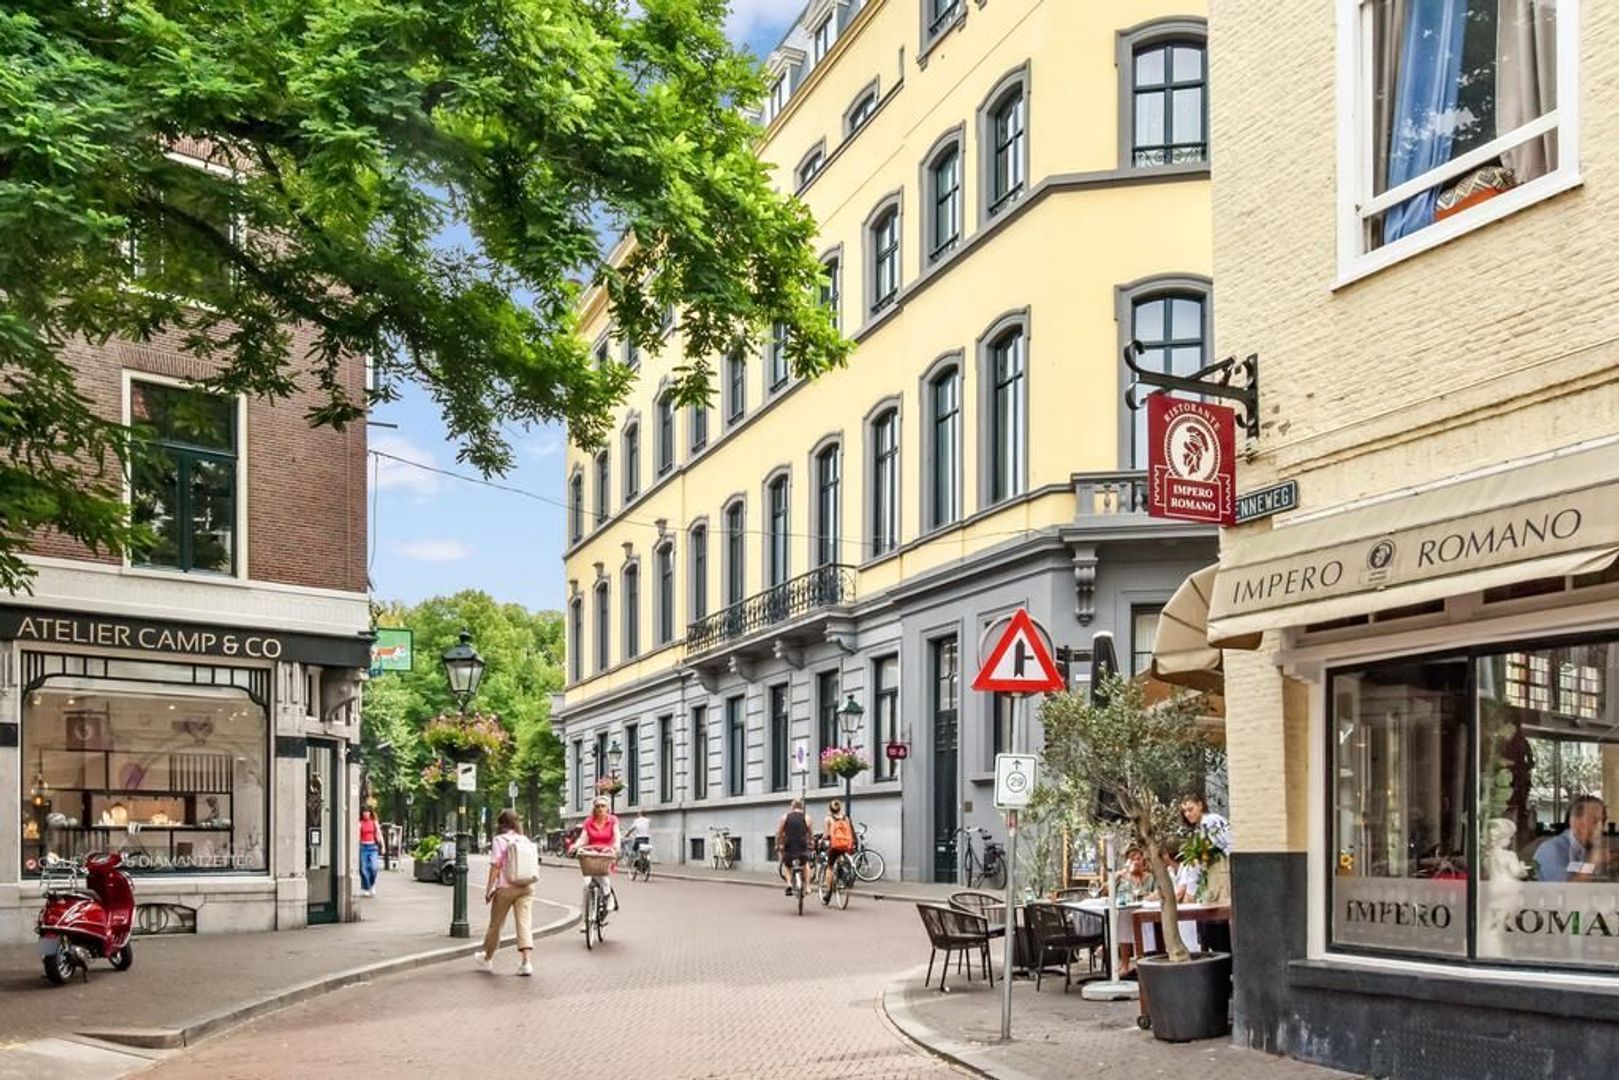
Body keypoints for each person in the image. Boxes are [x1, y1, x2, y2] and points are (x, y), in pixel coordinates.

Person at [474, 809, 538, 976]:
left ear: (500, 824)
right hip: (526, 886)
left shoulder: (499, 840)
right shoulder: (524, 839)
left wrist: (488, 889)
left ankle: (487, 958)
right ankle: (526, 963)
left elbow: (495, 866)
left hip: (506, 888)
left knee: (496, 924)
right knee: (524, 923)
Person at [1535, 795, 1608, 883]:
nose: (1601, 828)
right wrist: (1593, 863)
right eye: (1594, 821)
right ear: (1575, 822)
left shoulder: (1585, 848)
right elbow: (1566, 889)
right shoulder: (1551, 849)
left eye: (1603, 822)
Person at [569, 797, 621, 917]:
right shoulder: (589, 821)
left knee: (602, 875)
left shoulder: (613, 820)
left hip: (606, 853)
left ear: (608, 808)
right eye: (597, 806)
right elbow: (583, 838)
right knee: (586, 885)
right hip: (591, 852)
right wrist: (575, 846)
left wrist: (616, 847)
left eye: (603, 806)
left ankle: (608, 896)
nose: (600, 809)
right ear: (594, 808)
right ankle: (587, 918)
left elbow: (617, 835)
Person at [1180, 794, 1233, 903]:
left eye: (1190, 809)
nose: (1188, 814)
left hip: (1222, 872)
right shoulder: (1202, 826)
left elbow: (1228, 846)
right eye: (1185, 811)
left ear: (1200, 805)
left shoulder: (1210, 821)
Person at [776, 797, 813, 896]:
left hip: (789, 844)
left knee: (788, 865)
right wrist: (811, 842)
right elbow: (810, 833)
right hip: (802, 844)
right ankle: (808, 886)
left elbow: (779, 832)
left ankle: (788, 884)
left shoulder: (785, 817)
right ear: (801, 807)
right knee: (805, 864)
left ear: (792, 807)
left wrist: (778, 844)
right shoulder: (807, 817)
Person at [822, 800, 856, 900]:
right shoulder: (847, 818)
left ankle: (828, 891)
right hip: (846, 845)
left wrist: (821, 839)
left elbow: (827, 834)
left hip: (835, 845)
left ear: (829, 808)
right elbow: (850, 831)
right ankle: (842, 874)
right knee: (842, 858)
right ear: (840, 808)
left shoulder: (828, 819)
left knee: (830, 866)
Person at [358, 808, 385, 897]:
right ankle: (366, 887)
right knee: (363, 869)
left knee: (374, 868)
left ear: (370, 813)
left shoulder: (374, 823)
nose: (366, 814)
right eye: (364, 812)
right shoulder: (360, 823)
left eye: (367, 812)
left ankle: (372, 884)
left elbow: (379, 834)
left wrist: (383, 846)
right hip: (363, 847)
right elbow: (357, 835)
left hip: (373, 847)